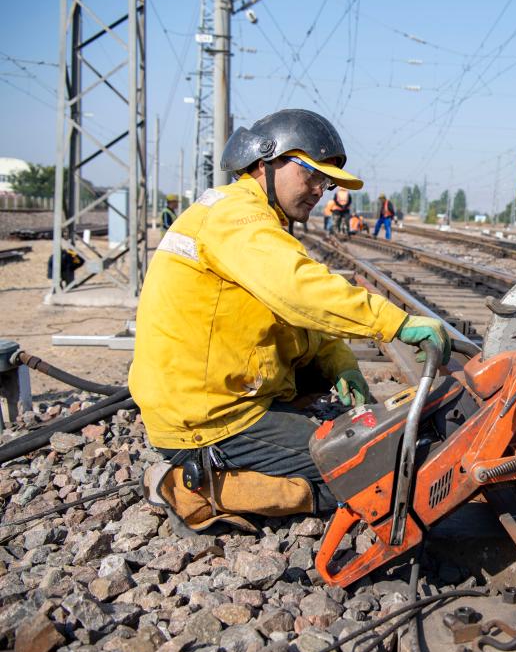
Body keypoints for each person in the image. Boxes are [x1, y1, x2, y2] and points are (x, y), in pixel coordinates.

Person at [130, 108, 452, 532]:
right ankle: (192, 488)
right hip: (210, 416)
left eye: (326, 181)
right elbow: (298, 288)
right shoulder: (235, 218)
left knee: (366, 451)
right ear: (266, 161)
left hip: (230, 395)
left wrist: (341, 364)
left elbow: (295, 316)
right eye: (311, 175)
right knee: (363, 472)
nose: (320, 189)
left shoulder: (254, 221)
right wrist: (394, 322)